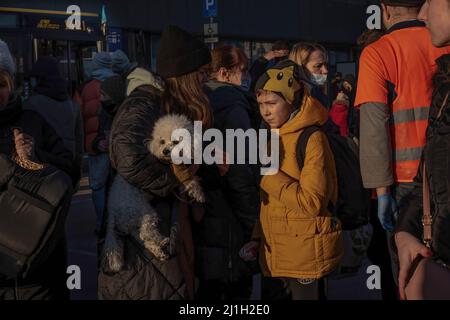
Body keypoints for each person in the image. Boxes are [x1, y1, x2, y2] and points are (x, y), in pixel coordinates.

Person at [98, 25, 212, 300]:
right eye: (202, 74)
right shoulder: (145, 101)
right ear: (186, 76)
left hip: (165, 232)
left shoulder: (170, 105)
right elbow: (128, 159)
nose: (205, 81)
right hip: (140, 242)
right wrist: (178, 180)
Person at [354, 0, 450, 291]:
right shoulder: (443, 40)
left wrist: (380, 191)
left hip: (405, 185)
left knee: (409, 274)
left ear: (384, 9)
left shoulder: (379, 51)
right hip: (442, 175)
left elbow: (373, 128)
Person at [243, 60, 343, 300]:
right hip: (274, 255)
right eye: (261, 104)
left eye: (272, 103)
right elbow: (269, 203)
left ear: (290, 100)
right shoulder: (269, 136)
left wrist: (268, 175)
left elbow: (311, 203)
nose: (265, 111)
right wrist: (258, 237)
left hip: (305, 256)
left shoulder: (312, 138)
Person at [0, 39, 75, 300]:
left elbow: (70, 171)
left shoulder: (31, 119)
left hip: (41, 269)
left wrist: (35, 158)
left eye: (1, 84)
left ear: (10, 85)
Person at [395, 0, 450, 300]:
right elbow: (426, 177)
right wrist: (405, 232)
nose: (422, 13)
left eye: (432, 1)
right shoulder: (444, 87)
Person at [196, 45, 260, 300]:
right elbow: (240, 172)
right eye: (242, 70)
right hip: (230, 222)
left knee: (209, 290)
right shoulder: (233, 108)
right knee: (234, 291)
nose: (246, 77)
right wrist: (253, 222)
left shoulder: (199, 101)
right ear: (224, 72)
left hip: (205, 212)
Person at [24, 56, 83, 186]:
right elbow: (79, 145)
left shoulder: (31, 104)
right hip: (67, 169)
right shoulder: (73, 106)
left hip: (43, 170)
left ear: (41, 79)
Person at [74, 52, 116, 233]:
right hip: (116, 144)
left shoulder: (86, 87)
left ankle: (101, 223)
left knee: (97, 186)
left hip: (95, 145)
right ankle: (114, 222)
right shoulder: (118, 83)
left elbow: (78, 115)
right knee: (114, 186)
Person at [289, 42, 329, 108]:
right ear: (301, 68)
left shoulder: (316, 92)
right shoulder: (296, 99)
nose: (325, 71)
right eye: (318, 66)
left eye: (325, 65)